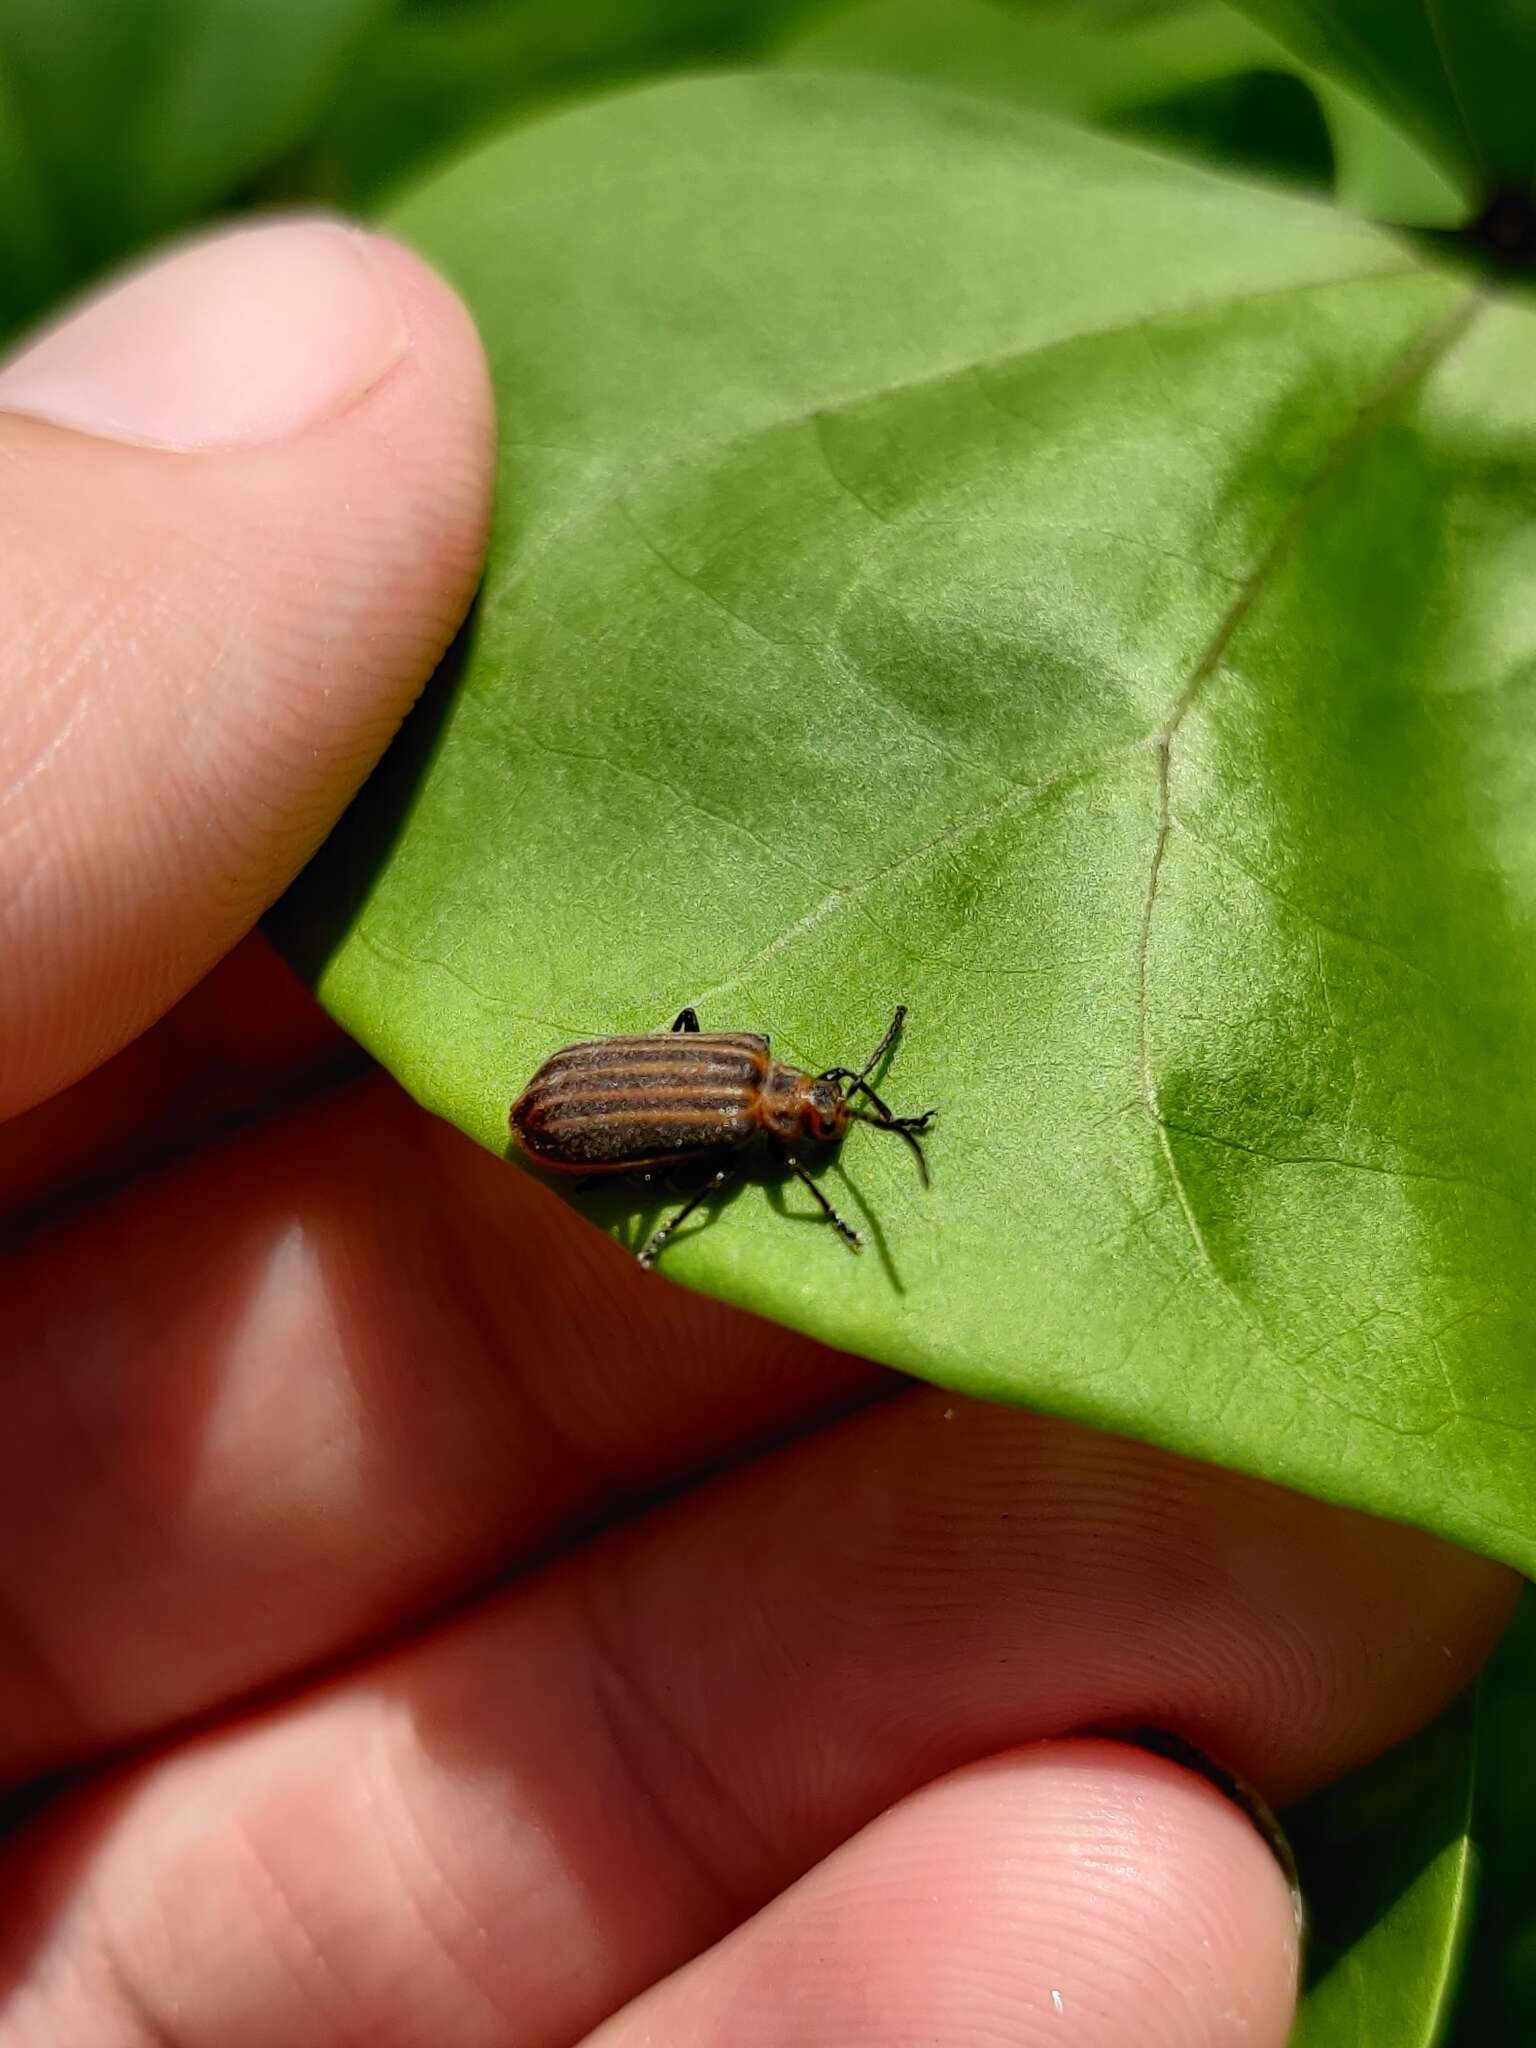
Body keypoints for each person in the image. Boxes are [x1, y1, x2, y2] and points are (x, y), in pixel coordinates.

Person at [0, 218, 1514, 2047]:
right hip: (576, 1104)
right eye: (817, 1112)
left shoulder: (744, 1088)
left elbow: (683, 1102)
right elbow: (631, 1115)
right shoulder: (729, 1111)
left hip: (572, 1099)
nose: (816, 1116)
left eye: (820, 1115)